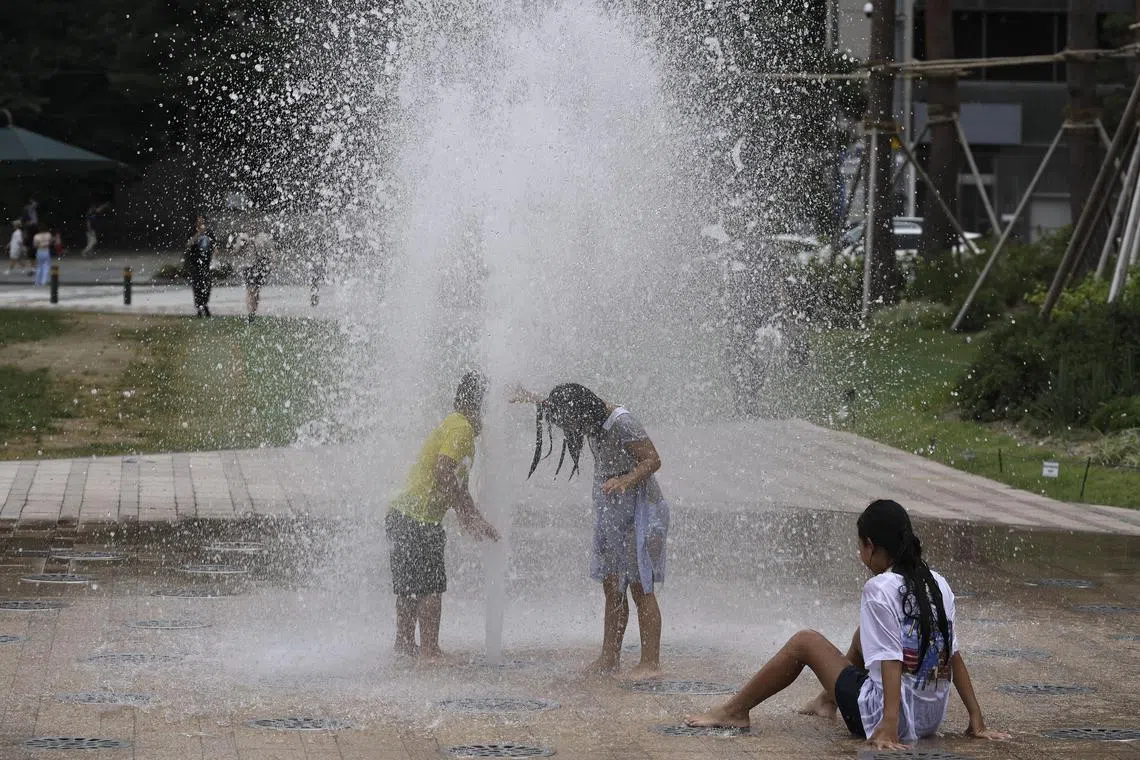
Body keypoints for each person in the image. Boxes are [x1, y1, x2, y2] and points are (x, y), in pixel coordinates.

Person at [685, 499, 1009, 750]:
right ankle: (827, 700)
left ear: (871, 545)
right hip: (928, 719)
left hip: (883, 718)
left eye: (861, 547)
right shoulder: (936, 583)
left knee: (804, 641)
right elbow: (952, 655)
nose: (860, 554)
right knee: (862, 632)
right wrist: (976, 719)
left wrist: (888, 725)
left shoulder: (879, 588)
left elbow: (891, 661)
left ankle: (735, 710)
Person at [513, 383, 669, 678]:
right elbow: (557, 406)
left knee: (639, 585)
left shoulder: (621, 421)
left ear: (583, 412)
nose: (567, 428)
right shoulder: (586, 414)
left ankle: (651, 663)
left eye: (568, 422)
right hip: (613, 509)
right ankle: (609, 659)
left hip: (641, 509)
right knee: (612, 586)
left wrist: (627, 479)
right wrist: (530, 398)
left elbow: (653, 459)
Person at [386, 372, 500, 661]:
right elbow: (443, 470)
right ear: (480, 406)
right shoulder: (461, 430)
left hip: (403, 514)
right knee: (431, 587)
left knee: (410, 586)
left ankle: (404, 644)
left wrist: (472, 514)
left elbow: (456, 483)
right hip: (420, 518)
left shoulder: (454, 423)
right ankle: (430, 650)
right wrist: (465, 515)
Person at [230, 229, 276, 323]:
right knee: (250, 290)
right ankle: (250, 313)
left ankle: (253, 312)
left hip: (261, 266)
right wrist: (241, 245)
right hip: (248, 266)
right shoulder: (243, 237)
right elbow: (235, 251)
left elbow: (271, 250)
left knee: (256, 291)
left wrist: (272, 263)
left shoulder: (264, 236)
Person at [185, 215, 216, 317]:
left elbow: (215, 245)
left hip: (206, 264)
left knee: (207, 286)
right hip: (196, 264)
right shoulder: (192, 232)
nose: (201, 223)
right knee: (197, 286)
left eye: (202, 221)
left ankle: (205, 304)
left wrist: (215, 252)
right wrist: (198, 234)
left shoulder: (209, 233)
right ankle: (199, 307)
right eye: (199, 221)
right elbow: (188, 244)